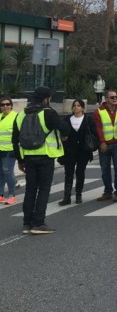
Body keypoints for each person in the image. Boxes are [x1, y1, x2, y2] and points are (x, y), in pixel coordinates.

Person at [12, 87, 68, 234]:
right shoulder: (48, 113)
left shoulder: (21, 114)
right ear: (46, 99)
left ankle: (27, 223)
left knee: (30, 190)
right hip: (46, 156)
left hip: (28, 157)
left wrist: (20, 160)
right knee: (43, 190)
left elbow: (14, 140)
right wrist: (64, 136)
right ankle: (38, 223)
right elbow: (65, 128)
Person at [59, 99, 97, 206]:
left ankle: (78, 194)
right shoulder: (66, 119)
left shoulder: (88, 119)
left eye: (79, 105)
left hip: (83, 151)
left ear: (83, 108)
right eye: (74, 105)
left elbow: (94, 133)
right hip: (69, 151)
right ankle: (66, 197)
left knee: (80, 172)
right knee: (68, 173)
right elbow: (62, 132)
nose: (76, 107)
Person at [93, 88, 117, 202]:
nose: (115, 99)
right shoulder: (99, 111)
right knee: (105, 170)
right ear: (106, 99)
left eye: (116, 97)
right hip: (105, 144)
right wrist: (102, 142)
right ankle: (107, 192)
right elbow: (98, 128)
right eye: (112, 97)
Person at [0, 96, 19, 205]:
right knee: (0, 173)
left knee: (7, 172)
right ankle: (1, 195)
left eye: (7, 104)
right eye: (3, 105)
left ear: (11, 105)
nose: (5, 106)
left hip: (10, 150)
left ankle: (12, 195)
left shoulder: (16, 117)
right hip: (0, 149)